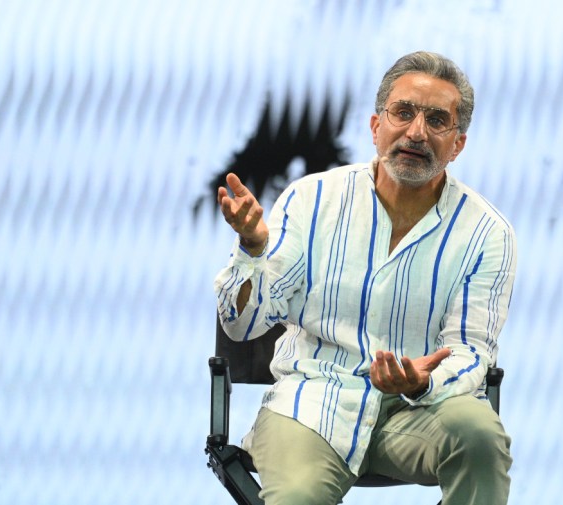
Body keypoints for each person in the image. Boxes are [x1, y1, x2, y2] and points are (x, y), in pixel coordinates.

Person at [214, 50, 517, 505]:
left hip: (417, 412)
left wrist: (421, 383)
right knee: (296, 496)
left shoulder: (487, 233)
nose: (417, 132)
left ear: (458, 144)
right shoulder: (311, 199)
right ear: (377, 126)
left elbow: (472, 350)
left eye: (437, 120)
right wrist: (254, 250)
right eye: (404, 113)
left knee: (478, 434)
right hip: (311, 405)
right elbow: (241, 326)